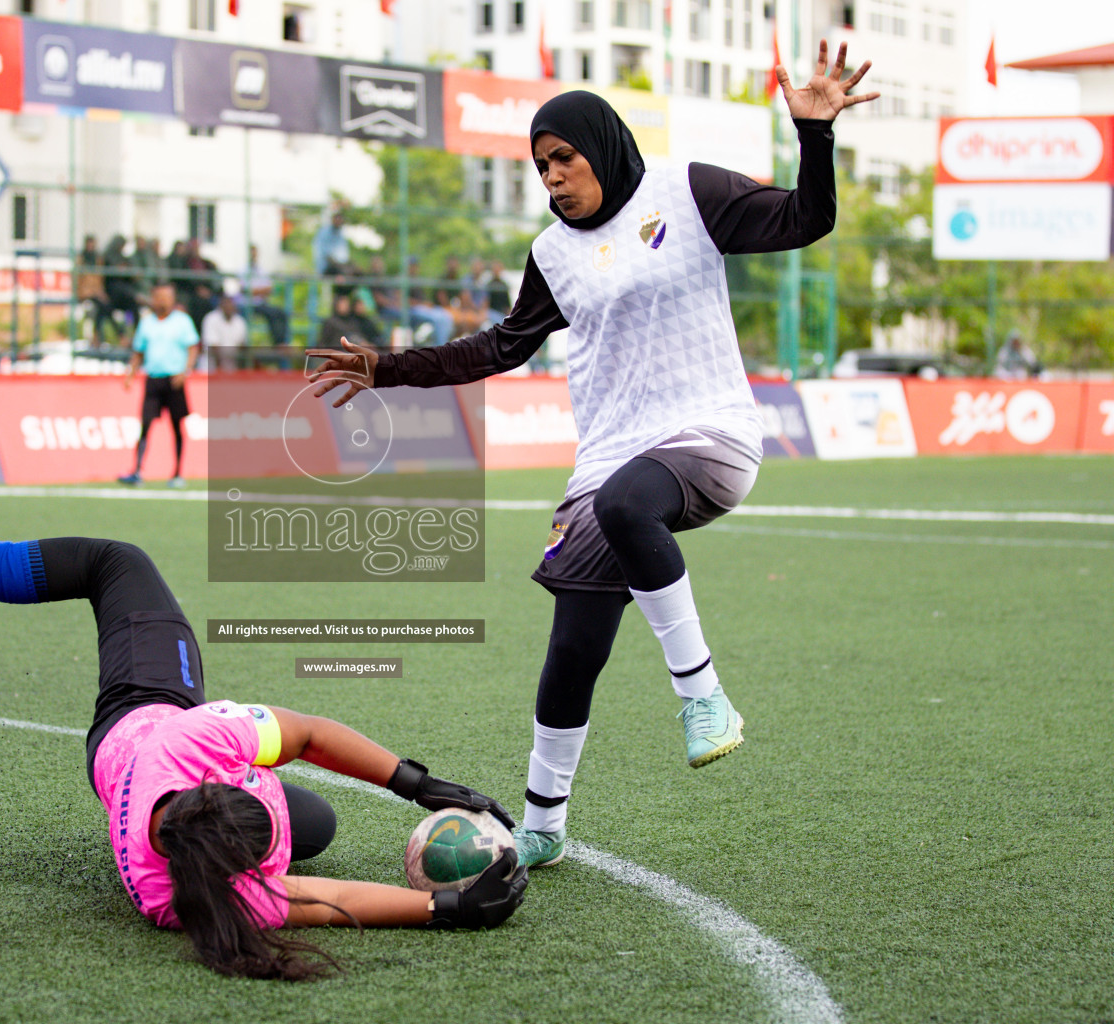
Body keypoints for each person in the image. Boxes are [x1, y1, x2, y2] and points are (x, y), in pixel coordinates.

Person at [310, 43, 877, 868]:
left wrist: (815, 136)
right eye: (541, 167)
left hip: (707, 436)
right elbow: (500, 348)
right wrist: (388, 369)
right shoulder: (551, 254)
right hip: (607, 456)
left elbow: (806, 220)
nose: (553, 178)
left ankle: (705, 698)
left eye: (564, 159)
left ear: (601, 147)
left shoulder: (687, 191)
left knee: (626, 506)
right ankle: (544, 824)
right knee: (573, 647)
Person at [0, 486, 529, 979]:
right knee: (316, 826)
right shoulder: (193, 884)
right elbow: (325, 900)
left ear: (211, 790)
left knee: (115, 562)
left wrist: (423, 792)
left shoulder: (192, 753)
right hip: (116, 766)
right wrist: (445, 904)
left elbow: (311, 740)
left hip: (144, 711)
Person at [119, 282, 199, 488]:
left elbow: (193, 348)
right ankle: (137, 471)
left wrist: (185, 370)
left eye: (166, 296)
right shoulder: (147, 323)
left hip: (174, 380)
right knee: (145, 425)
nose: (162, 300)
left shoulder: (182, 321)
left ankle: (177, 473)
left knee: (176, 426)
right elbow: (138, 352)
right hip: (153, 380)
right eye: (159, 296)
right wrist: (130, 373)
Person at [238, 244, 291, 348]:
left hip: (260, 303)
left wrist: (255, 291)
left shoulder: (261, 270)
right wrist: (258, 291)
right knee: (271, 314)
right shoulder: (242, 269)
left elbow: (269, 289)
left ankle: (280, 343)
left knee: (280, 313)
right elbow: (244, 290)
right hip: (246, 304)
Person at [202, 292, 249, 373]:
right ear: (221, 305)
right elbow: (213, 347)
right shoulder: (211, 319)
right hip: (211, 368)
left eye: (231, 303)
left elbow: (242, 346)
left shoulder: (240, 321)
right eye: (226, 303)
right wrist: (220, 370)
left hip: (232, 369)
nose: (229, 306)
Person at [313, 208, 351, 276]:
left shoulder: (341, 234)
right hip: (326, 268)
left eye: (340, 219)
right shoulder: (324, 232)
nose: (339, 221)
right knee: (346, 273)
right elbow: (326, 255)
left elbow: (344, 256)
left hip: (339, 266)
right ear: (332, 219)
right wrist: (341, 265)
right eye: (337, 219)